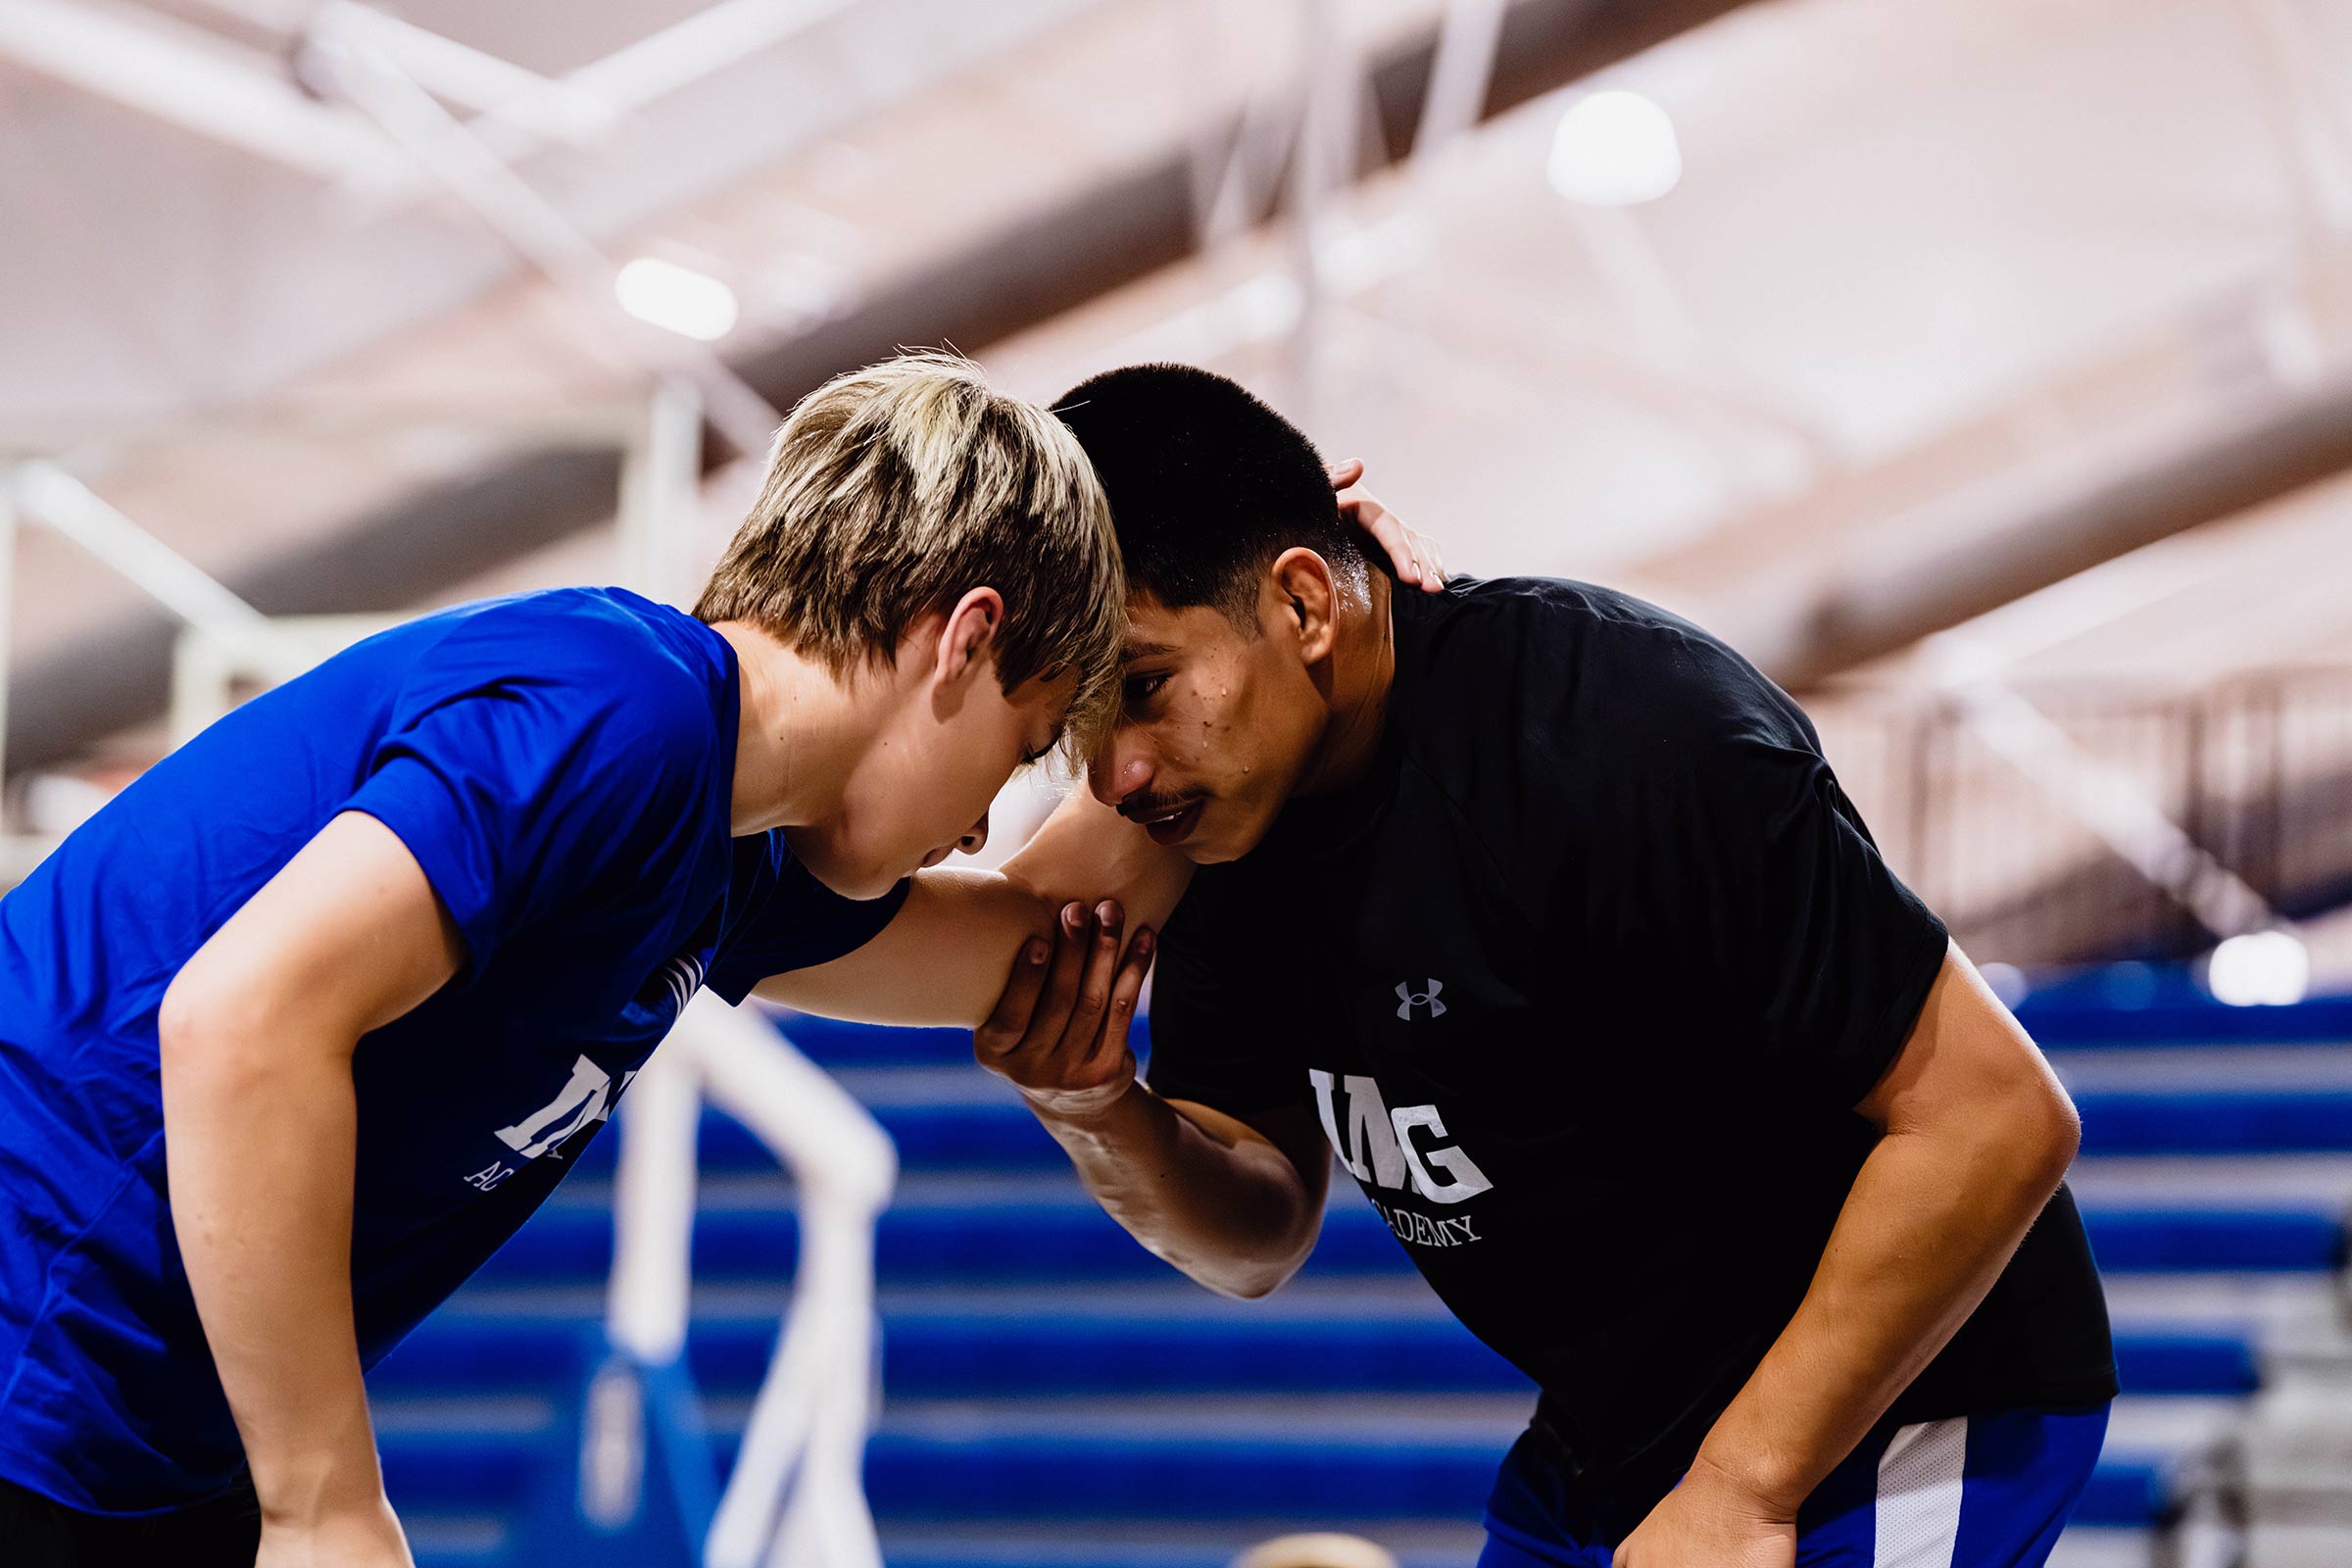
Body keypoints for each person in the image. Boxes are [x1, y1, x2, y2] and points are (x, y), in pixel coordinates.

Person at [768, 364, 2119, 1568]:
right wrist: (1099, 1109)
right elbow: (1255, 1230)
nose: (1115, 771)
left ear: (1304, 602)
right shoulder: (1209, 819)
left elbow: (1998, 1115)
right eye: (1078, 726)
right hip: (1619, 1432)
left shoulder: (1620, 736)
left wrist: (1746, 1487)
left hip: (1911, 1403)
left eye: (1144, 685)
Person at [0, 352, 1130, 1568]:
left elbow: (1037, 945)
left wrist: (1259, 704)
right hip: (41, 1356)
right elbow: (239, 1019)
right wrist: (322, 1499)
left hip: (145, 1445)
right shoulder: (619, 705)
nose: (976, 827)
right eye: (1017, 753)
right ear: (963, 639)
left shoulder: (729, 856)